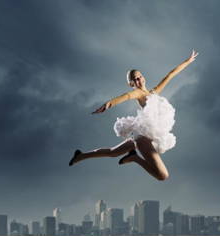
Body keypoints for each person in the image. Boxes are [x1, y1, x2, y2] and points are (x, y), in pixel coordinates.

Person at [69, 50, 199, 181]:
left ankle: (80, 156)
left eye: (140, 76)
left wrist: (188, 61)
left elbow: (170, 75)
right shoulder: (138, 94)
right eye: (135, 79)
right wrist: (108, 104)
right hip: (143, 138)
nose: (139, 80)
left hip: (144, 135)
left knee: (112, 152)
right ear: (132, 84)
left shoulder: (154, 92)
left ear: (144, 77)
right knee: (163, 175)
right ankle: (134, 158)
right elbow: (126, 96)